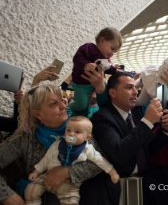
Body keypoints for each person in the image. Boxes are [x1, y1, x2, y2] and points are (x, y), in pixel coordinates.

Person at [0, 65, 113, 205]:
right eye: (53, 104)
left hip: (83, 195)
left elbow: (100, 160)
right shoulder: (25, 138)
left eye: (62, 100)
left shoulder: (79, 128)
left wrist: (67, 172)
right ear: (38, 114)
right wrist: (6, 195)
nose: (62, 106)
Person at [90, 72, 168, 204]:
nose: (136, 92)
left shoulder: (136, 115)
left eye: (135, 87)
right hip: (118, 188)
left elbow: (148, 147)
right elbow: (119, 152)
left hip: (145, 182)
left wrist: (166, 130)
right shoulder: (102, 118)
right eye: (129, 87)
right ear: (113, 93)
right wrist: (147, 122)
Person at [24, 116, 119, 205]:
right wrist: (36, 172)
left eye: (77, 132)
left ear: (87, 137)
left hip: (70, 183)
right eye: (68, 130)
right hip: (47, 176)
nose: (71, 134)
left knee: (71, 201)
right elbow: (45, 160)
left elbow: (100, 161)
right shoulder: (57, 145)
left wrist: (112, 172)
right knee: (30, 190)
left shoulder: (87, 149)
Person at [70, 27, 122, 114]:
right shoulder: (88, 48)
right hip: (82, 85)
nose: (112, 53)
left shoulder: (107, 58)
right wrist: (85, 64)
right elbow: (77, 58)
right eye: (112, 48)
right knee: (81, 106)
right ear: (102, 41)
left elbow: (108, 67)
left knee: (111, 88)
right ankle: (71, 103)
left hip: (98, 82)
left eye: (115, 52)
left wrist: (115, 70)